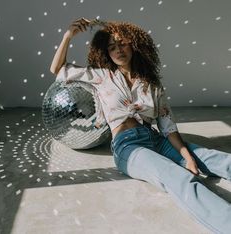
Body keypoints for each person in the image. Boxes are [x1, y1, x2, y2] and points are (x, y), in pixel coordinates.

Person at [50, 17, 231, 233]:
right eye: (112, 47)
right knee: (177, 177)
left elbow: (168, 127)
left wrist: (189, 157)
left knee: (212, 158)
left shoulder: (151, 84)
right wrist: (67, 36)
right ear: (106, 52)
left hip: (155, 139)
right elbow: (58, 69)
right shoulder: (101, 76)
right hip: (128, 147)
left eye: (123, 43)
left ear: (134, 45)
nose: (118, 50)